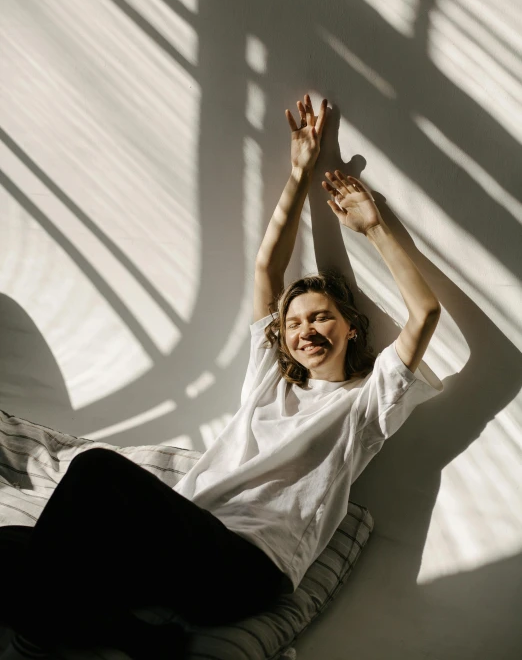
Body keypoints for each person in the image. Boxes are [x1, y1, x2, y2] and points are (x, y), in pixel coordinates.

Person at [0, 95, 443, 660]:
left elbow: (424, 313)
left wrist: (374, 225)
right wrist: (298, 172)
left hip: (245, 568)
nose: (306, 330)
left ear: (351, 328)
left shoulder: (366, 403)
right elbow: (267, 268)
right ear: (280, 336)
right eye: (295, 322)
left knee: (94, 470)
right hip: (178, 548)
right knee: (10, 551)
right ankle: (135, 638)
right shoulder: (269, 378)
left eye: (322, 318)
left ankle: (55, 634)